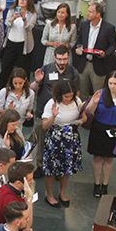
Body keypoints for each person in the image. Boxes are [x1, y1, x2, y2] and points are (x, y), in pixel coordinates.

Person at [30, 45, 80, 178]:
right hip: (43, 114)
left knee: (60, 145)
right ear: (54, 57)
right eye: (60, 59)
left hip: (63, 119)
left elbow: (77, 95)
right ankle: (40, 166)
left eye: (65, 59)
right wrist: (37, 81)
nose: (62, 62)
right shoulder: (46, 69)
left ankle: (57, 168)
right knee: (41, 142)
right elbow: (32, 89)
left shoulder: (73, 72)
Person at [84, 71, 116, 197]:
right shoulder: (100, 94)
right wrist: (94, 102)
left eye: (115, 84)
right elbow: (88, 112)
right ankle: (96, 184)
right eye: (110, 83)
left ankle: (105, 184)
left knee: (109, 159)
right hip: (99, 128)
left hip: (114, 130)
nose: (112, 86)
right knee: (97, 158)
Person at [42, 80, 85, 207]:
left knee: (67, 168)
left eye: (71, 96)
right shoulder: (52, 103)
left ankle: (62, 193)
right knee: (51, 169)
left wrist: (81, 121)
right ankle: (49, 195)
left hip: (71, 137)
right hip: (55, 138)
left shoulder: (77, 101)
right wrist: (53, 117)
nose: (69, 99)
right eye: (66, 96)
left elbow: (83, 116)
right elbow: (44, 125)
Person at [74, 2, 116, 100]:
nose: (88, 13)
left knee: (98, 94)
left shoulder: (109, 28)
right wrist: (78, 48)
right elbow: (79, 40)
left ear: (98, 14)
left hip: (98, 65)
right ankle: (83, 112)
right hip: (83, 63)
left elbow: (113, 45)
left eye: (90, 12)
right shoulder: (84, 25)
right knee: (82, 92)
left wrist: (105, 54)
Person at [0, 0, 38, 88]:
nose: (22, 1)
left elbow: (29, 28)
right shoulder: (12, 10)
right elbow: (7, 23)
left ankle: (24, 89)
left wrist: (24, 19)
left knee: (24, 69)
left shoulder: (32, 13)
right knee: (6, 67)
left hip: (24, 45)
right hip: (11, 43)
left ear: (28, 1)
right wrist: (13, 18)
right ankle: (2, 88)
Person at [0, 68, 34, 135]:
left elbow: (29, 109)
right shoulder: (4, 91)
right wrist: (8, 111)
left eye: (20, 83)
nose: (18, 86)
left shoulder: (30, 93)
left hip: (19, 126)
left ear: (25, 80)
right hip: (4, 126)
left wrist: (28, 114)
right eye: (15, 83)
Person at [41, 2, 76, 66]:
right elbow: (43, 40)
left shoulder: (72, 27)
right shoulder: (50, 24)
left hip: (64, 56)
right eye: (58, 12)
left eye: (63, 13)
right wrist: (52, 44)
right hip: (51, 55)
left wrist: (65, 45)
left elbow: (73, 42)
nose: (60, 14)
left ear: (67, 14)